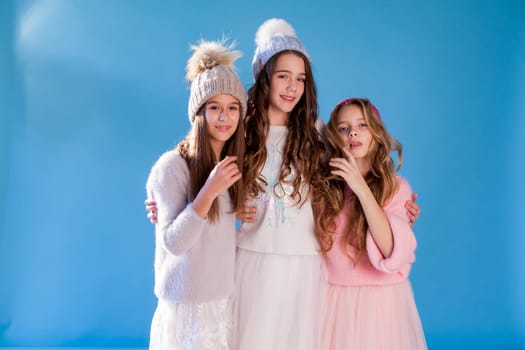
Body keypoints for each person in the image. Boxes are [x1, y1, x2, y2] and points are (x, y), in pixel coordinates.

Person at [145, 39, 247, 350]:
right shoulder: (172, 166)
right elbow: (175, 243)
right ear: (198, 112)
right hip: (185, 307)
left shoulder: (231, 166)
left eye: (232, 108)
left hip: (219, 303)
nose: (224, 117)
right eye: (214, 107)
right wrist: (209, 191)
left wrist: (241, 210)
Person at [312, 97, 427, 349]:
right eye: (343, 128)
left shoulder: (396, 188)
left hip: (382, 305)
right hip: (331, 302)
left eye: (362, 124)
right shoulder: (323, 190)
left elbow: (390, 253)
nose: (353, 132)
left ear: (376, 133)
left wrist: (360, 186)